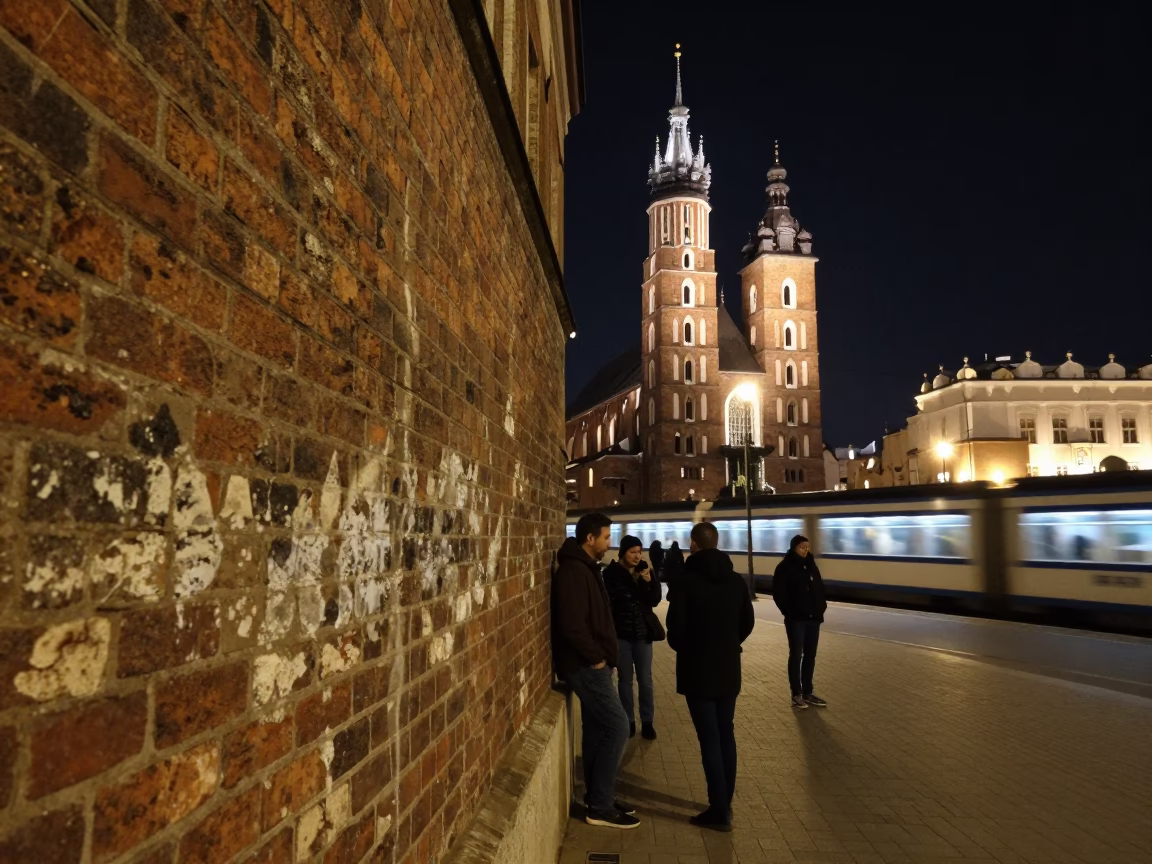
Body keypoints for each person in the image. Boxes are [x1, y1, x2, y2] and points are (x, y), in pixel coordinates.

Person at [551, 513, 640, 829]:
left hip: (593, 663)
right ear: (590, 539)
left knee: (597, 731)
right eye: (605, 537)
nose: (608, 543)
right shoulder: (575, 572)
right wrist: (596, 659)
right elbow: (573, 625)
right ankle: (600, 805)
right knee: (618, 727)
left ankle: (597, 799)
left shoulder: (585, 568)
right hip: (586, 666)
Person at [666, 522, 755, 832]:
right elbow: (747, 623)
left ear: (693, 544)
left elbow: (674, 632)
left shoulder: (684, 582)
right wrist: (728, 645)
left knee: (709, 739)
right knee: (725, 733)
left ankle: (718, 811)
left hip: (697, 670)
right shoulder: (736, 581)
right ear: (716, 543)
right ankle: (724, 803)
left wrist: (692, 648)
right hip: (729, 668)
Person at [603, 535, 663, 741]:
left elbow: (654, 600)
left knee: (645, 680)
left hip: (643, 634)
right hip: (622, 635)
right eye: (632, 552)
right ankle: (628, 721)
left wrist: (648, 581)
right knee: (625, 681)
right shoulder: (611, 574)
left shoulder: (645, 570)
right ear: (623, 552)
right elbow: (609, 604)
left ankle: (647, 722)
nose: (637, 556)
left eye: (639, 552)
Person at [772, 535, 828, 709]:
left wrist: (821, 607)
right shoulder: (785, 567)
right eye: (802, 547)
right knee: (796, 655)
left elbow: (819, 588)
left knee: (810, 656)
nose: (805, 550)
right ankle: (796, 694)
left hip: (813, 618)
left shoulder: (811, 566)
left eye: (807, 547)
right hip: (796, 620)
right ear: (794, 548)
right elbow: (779, 593)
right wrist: (790, 612)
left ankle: (808, 692)